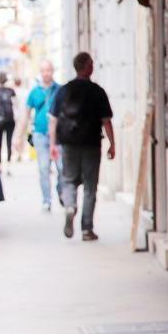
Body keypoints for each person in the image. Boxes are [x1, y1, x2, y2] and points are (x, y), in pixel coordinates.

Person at [50, 52, 115, 241]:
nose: (93, 65)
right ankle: (87, 229)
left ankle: (70, 206)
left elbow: (53, 120)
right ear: (86, 67)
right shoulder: (97, 91)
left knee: (69, 180)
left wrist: (53, 144)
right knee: (90, 186)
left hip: (69, 144)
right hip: (92, 144)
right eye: (91, 63)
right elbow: (106, 121)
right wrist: (112, 143)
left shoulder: (63, 90)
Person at [25, 61, 61, 212]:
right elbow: (26, 114)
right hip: (40, 134)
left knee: (62, 168)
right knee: (44, 168)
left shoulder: (60, 90)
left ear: (52, 71)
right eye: (43, 70)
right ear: (41, 72)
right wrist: (20, 136)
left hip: (59, 136)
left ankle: (62, 191)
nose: (46, 73)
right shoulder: (34, 92)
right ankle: (47, 200)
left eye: (49, 70)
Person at [0, 72, 17, 164]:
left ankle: (0, 163)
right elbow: (15, 105)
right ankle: (9, 164)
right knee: (9, 142)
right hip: (10, 119)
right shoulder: (11, 91)